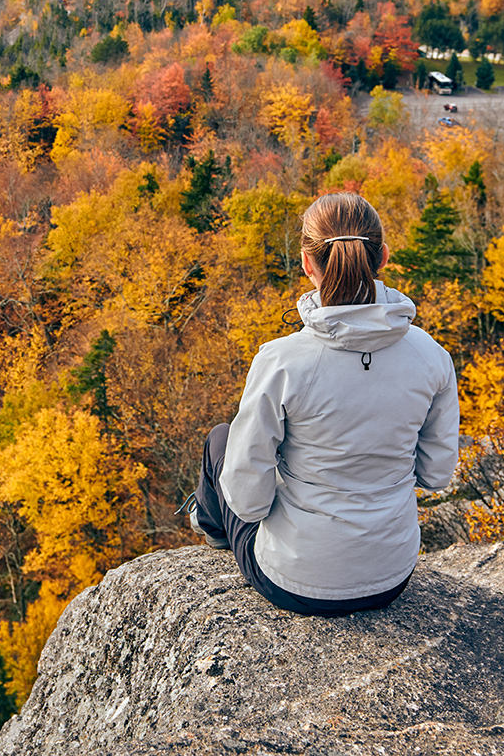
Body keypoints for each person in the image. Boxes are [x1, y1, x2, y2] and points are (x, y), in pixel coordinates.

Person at [189, 191, 459, 615]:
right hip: (392, 577)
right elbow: (437, 474)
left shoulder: (281, 361)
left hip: (296, 581)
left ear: (306, 263)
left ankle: (212, 532)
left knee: (221, 439)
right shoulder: (431, 356)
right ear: (382, 256)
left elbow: (247, 499)